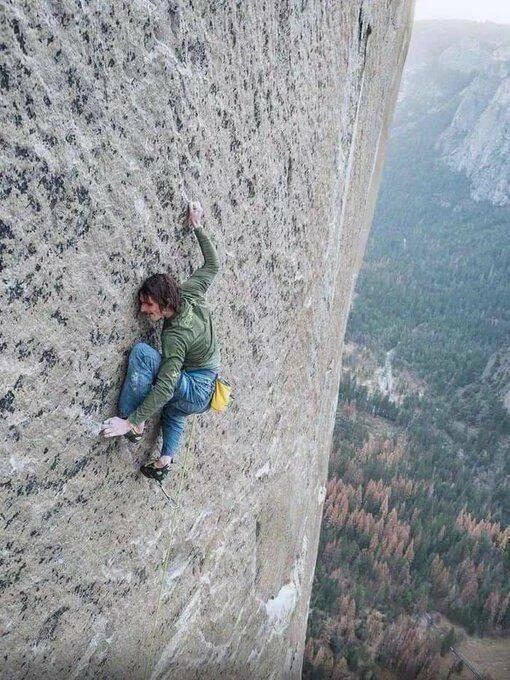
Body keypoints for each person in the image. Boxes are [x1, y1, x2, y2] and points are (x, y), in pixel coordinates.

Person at [102, 201, 221, 482]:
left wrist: (131, 420)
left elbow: (166, 386)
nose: (144, 310)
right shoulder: (189, 292)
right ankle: (164, 460)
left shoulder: (175, 336)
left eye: (149, 304)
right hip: (206, 390)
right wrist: (197, 227)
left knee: (143, 354)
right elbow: (213, 265)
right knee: (174, 410)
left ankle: (133, 424)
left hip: (196, 388)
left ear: (166, 303)